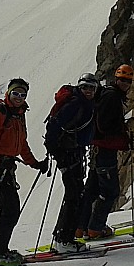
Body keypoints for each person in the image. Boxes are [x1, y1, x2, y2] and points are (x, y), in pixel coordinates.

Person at [0, 78, 51, 266]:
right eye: (15, 93)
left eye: (22, 94)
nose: (19, 97)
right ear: (9, 93)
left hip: (5, 168)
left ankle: (0, 250)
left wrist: (35, 164)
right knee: (10, 209)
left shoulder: (19, 114)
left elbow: (21, 144)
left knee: (11, 209)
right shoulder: (0, 112)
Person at [77, 64, 134, 240]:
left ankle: (80, 228)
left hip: (97, 148)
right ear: (116, 79)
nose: (125, 83)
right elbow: (105, 125)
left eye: (128, 80)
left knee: (91, 190)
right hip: (105, 149)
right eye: (122, 80)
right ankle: (96, 227)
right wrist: (123, 137)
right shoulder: (112, 97)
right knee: (110, 191)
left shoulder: (107, 94)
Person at [44, 73, 99, 253]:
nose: (89, 91)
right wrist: (57, 152)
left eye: (92, 88)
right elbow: (54, 126)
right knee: (74, 195)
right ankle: (63, 239)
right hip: (67, 155)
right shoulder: (76, 104)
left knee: (75, 194)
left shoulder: (85, 103)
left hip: (72, 153)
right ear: (80, 87)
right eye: (85, 87)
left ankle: (62, 237)